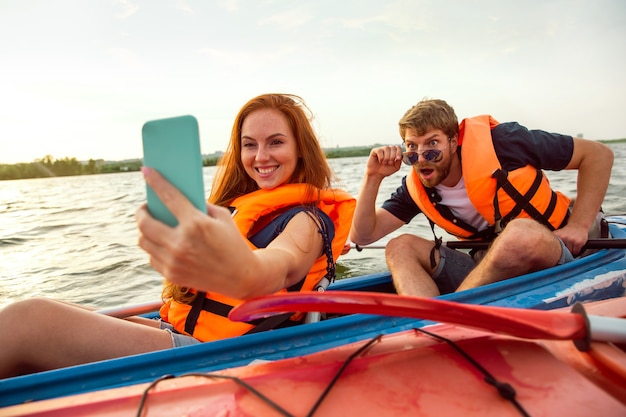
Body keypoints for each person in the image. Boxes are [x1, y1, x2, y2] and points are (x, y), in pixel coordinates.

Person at [0, 93, 355, 378]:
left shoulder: (309, 221)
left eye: (275, 142)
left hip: (217, 356)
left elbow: (277, 266)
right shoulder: (232, 209)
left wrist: (241, 271)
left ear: (299, 149)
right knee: (53, 307)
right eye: (249, 145)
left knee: (30, 320)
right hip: (185, 332)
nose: (261, 156)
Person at [350, 98, 613, 297]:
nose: (422, 156)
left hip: (553, 254)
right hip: (486, 271)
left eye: (432, 144)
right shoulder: (416, 186)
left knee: (518, 233)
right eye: (412, 147)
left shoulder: (505, 143)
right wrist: (373, 177)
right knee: (399, 246)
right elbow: (363, 236)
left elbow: (598, 155)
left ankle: (452, 313)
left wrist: (578, 225)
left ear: (453, 142)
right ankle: (428, 323)